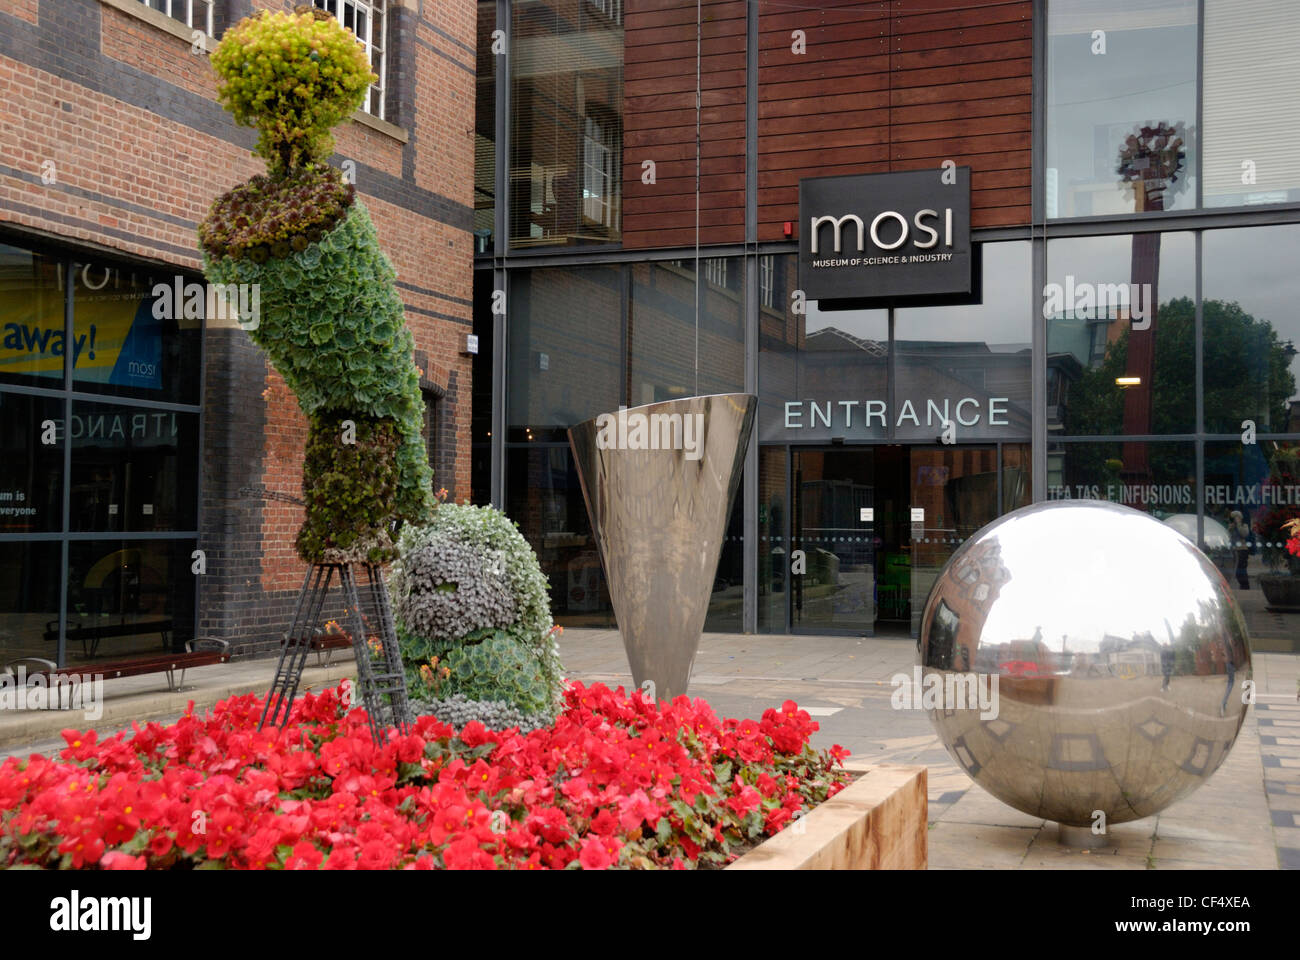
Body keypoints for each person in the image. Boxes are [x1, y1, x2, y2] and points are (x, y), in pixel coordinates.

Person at [1229, 510, 1252, 589]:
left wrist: (1238, 524)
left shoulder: (1244, 526)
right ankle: (1243, 585)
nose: (1235, 520)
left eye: (1236, 517)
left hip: (1242, 550)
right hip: (1234, 550)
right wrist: (1231, 528)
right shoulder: (1232, 526)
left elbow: (1244, 534)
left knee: (1241, 569)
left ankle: (1245, 585)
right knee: (1237, 570)